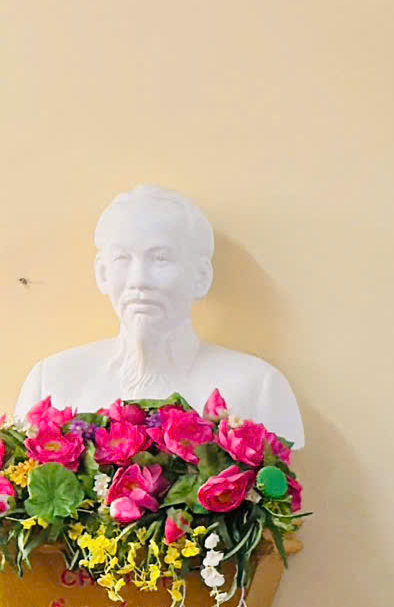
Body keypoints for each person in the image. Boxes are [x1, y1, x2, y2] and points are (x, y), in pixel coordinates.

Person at [10, 184, 304, 445]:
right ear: (102, 273)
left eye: (161, 259)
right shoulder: (52, 382)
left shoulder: (259, 387)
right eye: (122, 259)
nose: (139, 280)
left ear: (201, 276)